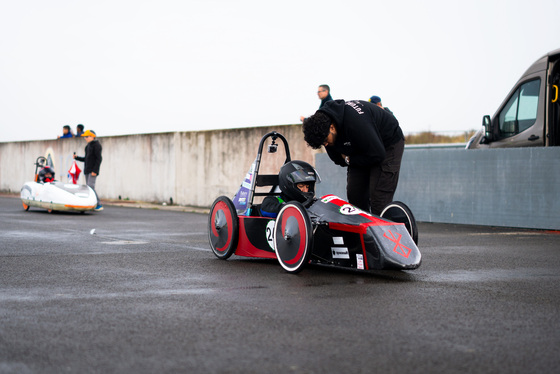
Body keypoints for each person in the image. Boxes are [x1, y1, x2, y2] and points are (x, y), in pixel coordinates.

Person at [302, 99, 405, 215]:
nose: (326, 145)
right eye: (322, 144)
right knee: (355, 195)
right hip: (360, 149)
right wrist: (348, 159)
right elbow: (338, 159)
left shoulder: (355, 123)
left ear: (332, 127)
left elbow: (378, 154)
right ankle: (362, 231)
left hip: (387, 144)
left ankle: (385, 229)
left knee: (379, 198)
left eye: (325, 141)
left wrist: (349, 159)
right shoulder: (323, 129)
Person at [73, 130, 103, 211]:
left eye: (87, 136)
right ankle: (93, 204)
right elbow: (86, 159)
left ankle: (99, 204)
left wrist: (95, 171)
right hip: (87, 170)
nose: (85, 138)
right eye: (84, 137)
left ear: (92, 136)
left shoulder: (97, 145)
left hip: (93, 171)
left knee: (91, 187)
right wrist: (77, 157)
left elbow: (99, 159)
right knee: (89, 188)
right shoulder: (87, 147)